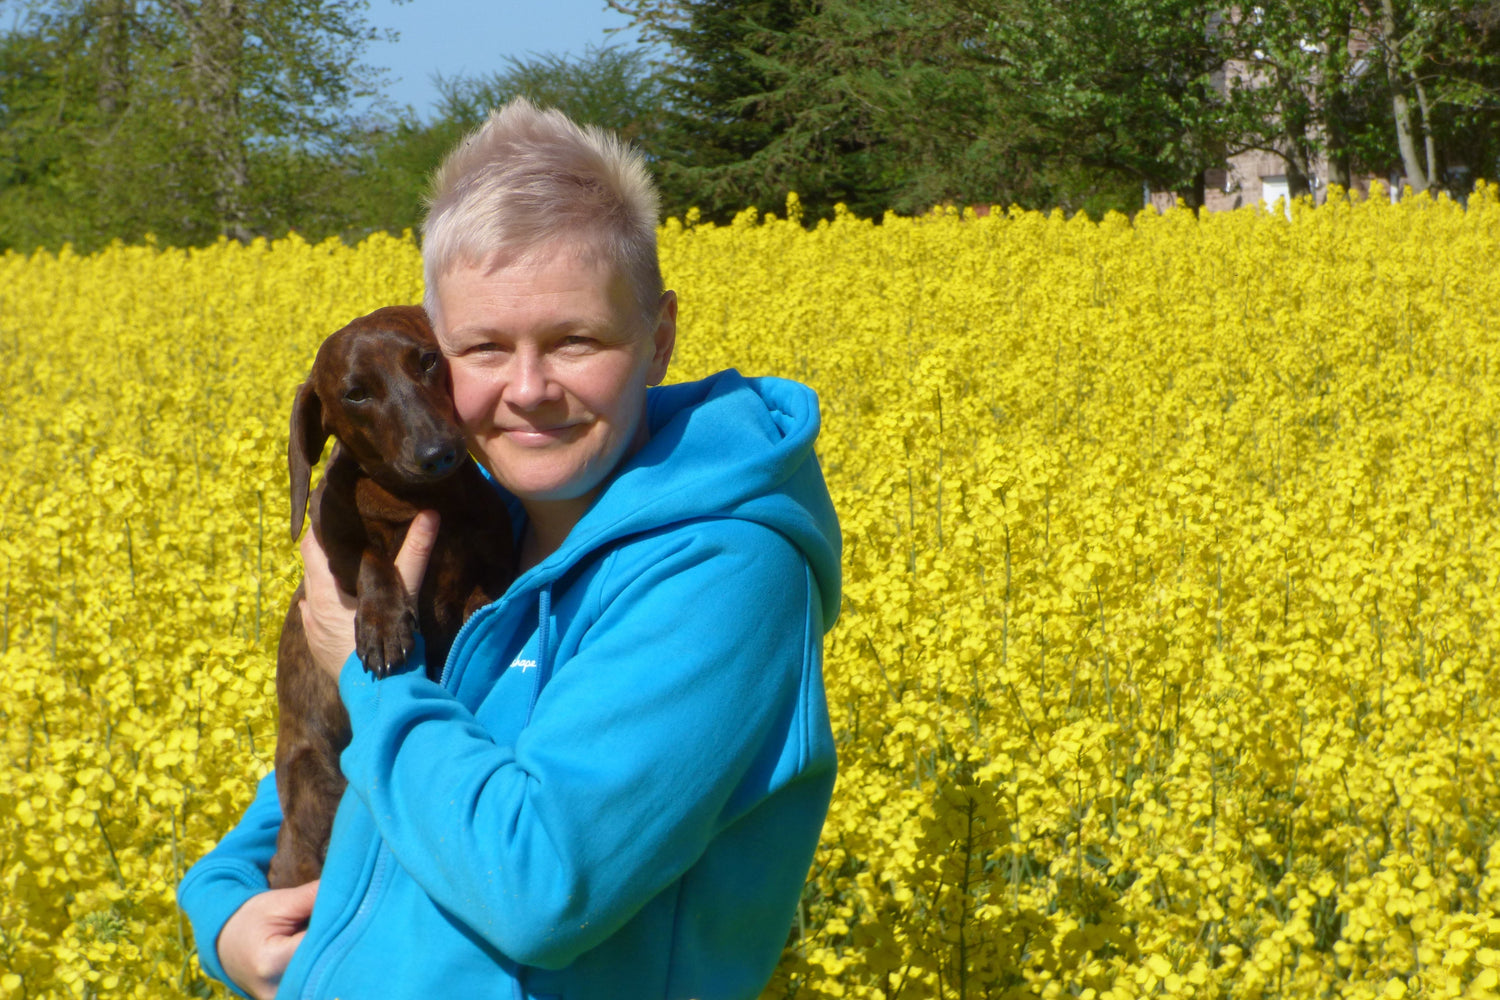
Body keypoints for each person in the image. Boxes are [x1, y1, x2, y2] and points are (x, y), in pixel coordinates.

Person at [176, 97, 842, 1000]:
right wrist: (221, 912)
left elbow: (543, 890)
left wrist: (371, 675)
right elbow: (327, 754)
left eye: (576, 339)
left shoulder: (723, 571)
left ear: (661, 339)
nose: (527, 390)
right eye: (482, 347)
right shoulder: (480, 527)